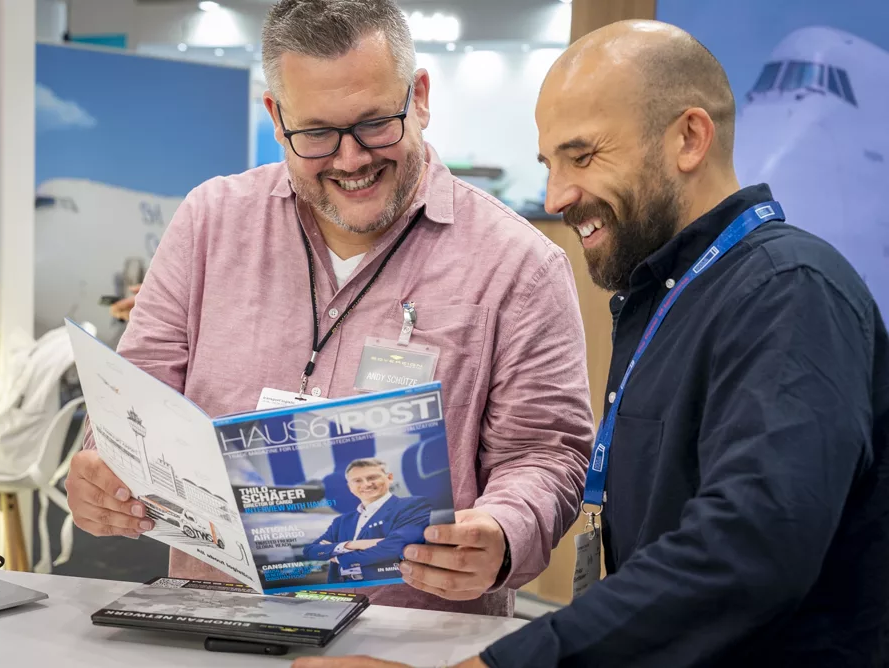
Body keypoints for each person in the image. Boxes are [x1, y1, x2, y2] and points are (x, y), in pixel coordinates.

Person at [293, 19, 889, 668]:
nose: (557, 196)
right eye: (550, 165)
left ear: (690, 138)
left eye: (583, 156)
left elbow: (749, 547)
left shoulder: (789, 291)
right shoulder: (673, 294)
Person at [65, 0, 595, 617]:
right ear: (275, 115)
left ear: (419, 98)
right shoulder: (210, 225)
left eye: (375, 123)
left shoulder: (518, 265)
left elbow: (546, 454)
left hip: (409, 641)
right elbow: (130, 406)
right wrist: (101, 468)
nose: (350, 160)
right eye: (316, 133)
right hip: (216, 624)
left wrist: (503, 533)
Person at [302, 458, 433, 583]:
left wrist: (337, 556)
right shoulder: (341, 521)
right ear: (350, 487)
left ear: (389, 478)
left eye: (372, 477)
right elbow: (310, 551)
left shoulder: (413, 505)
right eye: (357, 480)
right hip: (345, 589)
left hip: (387, 587)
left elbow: (396, 547)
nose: (366, 484)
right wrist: (351, 545)